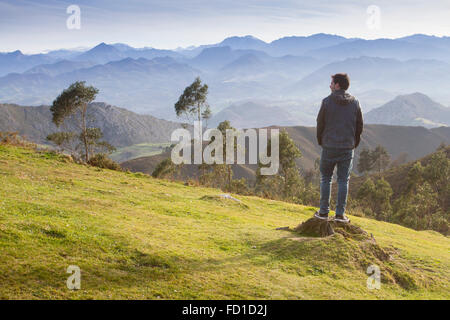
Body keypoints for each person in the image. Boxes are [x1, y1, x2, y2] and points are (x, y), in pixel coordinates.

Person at [314, 73, 363, 223]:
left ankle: (323, 213)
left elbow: (320, 123)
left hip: (329, 146)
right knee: (343, 180)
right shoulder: (355, 103)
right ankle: (340, 215)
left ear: (337, 85)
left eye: (331, 83)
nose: (330, 85)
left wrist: (321, 141)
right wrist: (353, 143)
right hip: (347, 147)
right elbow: (359, 125)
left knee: (326, 178)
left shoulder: (327, 102)